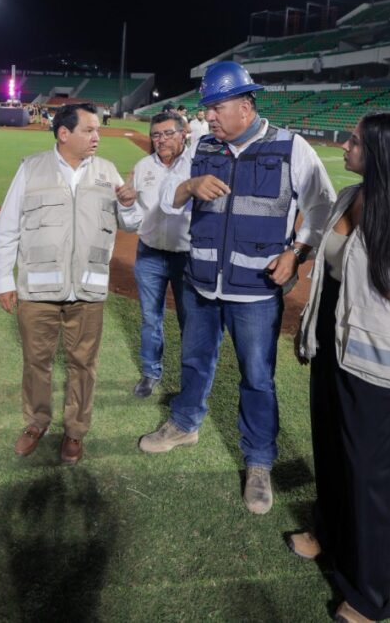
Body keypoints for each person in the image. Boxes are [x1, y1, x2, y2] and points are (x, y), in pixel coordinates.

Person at [138, 61, 336, 514]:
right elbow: (168, 198)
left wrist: (296, 252)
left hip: (256, 290)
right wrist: (189, 184)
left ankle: (260, 460)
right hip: (201, 282)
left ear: (245, 106)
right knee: (194, 361)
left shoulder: (291, 146)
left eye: (216, 107)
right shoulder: (203, 145)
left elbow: (322, 208)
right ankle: (185, 424)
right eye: (207, 109)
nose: (207, 117)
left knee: (258, 377)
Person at [289, 112, 390, 623]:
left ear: (380, 152)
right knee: (330, 450)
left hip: (377, 366)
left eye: (355, 141)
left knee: (370, 478)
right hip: (332, 349)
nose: (346, 146)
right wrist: (309, 325)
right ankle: (328, 536)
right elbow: (332, 277)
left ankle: (369, 596)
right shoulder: (348, 197)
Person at [0, 102, 141, 465]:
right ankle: (36, 422)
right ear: (64, 133)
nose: (97, 137)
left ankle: (75, 431)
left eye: (98, 130)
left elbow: (132, 223)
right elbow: (7, 229)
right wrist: (3, 280)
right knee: (36, 362)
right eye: (89, 130)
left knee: (83, 364)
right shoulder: (31, 168)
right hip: (37, 290)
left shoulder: (107, 172)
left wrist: (131, 204)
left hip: (88, 291)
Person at [129, 111, 191, 398]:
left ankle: (188, 383)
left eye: (168, 133)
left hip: (187, 256)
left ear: (183, 134)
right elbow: (130, 212)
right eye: (156, 134)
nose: (161, 139)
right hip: (150, 254)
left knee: (189, 321)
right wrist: (126, 204)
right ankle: (150, 373)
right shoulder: (143, 166)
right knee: (150, 318)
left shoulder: (197, 164)